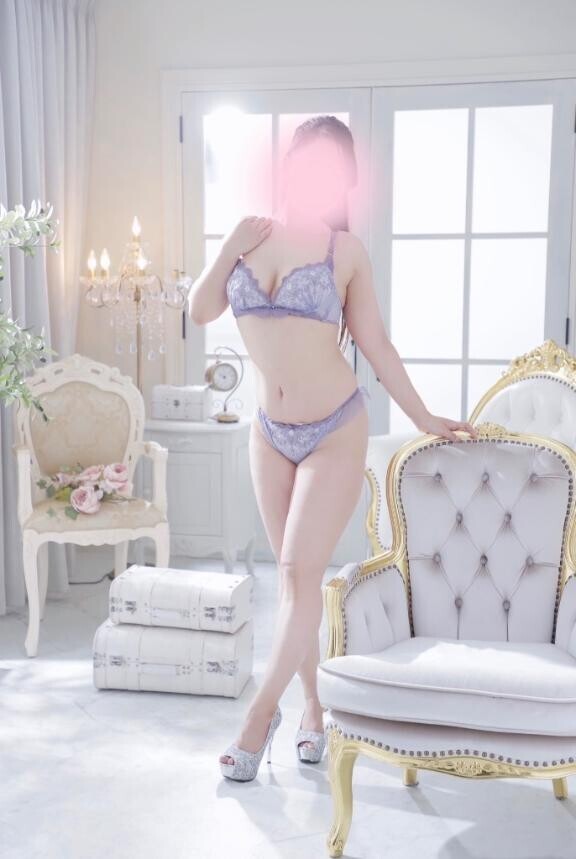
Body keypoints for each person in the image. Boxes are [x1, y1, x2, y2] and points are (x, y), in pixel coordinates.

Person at [187, 115, 477, 782]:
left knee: (295, 574)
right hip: (269, 432)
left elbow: (377, 346)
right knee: (297, 583)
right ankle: (313, 710)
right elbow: (200, 309)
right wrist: (227, 245)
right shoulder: (249, 236)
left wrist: (426, 417)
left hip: (334, 429)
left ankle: (258, 718)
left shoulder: (344, 251)